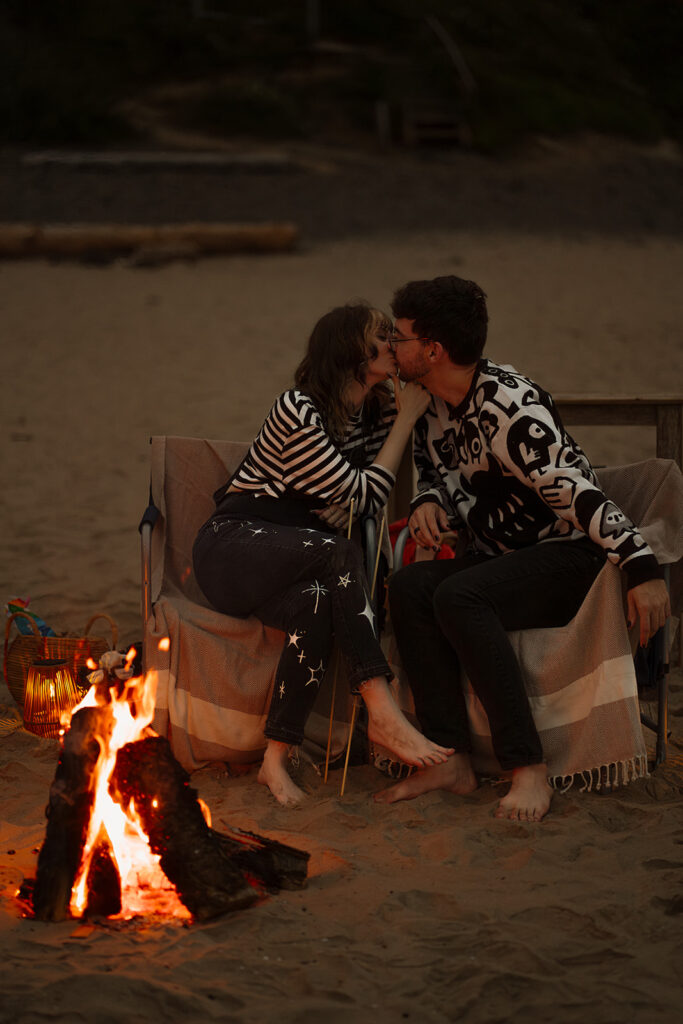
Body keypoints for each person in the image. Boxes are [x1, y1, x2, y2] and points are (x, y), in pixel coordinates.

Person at [377, 275, 670, 821]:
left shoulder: (509, 408)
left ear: (433, 350)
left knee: (460, 596)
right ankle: (452, 758)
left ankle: (527, 768)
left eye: (400, 338)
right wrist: (424, 501)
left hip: (570, 558)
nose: (392, 347)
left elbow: (576, 491)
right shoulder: (429, 402)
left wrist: (641, 565)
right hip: (504, 561)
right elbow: (433, 468)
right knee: (410, 586)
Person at [192, 302, 452, 806]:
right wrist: (404, 424)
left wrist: (356, 487)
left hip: (296, 559)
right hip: (232, 545)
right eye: (381, 336)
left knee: (315, 601)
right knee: (335, 552)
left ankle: (275, 758)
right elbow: (362, 495)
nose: (393, 345)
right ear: (352, 352)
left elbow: (359, 499)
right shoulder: (297, 410)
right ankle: (380, 710)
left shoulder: (369, 415)